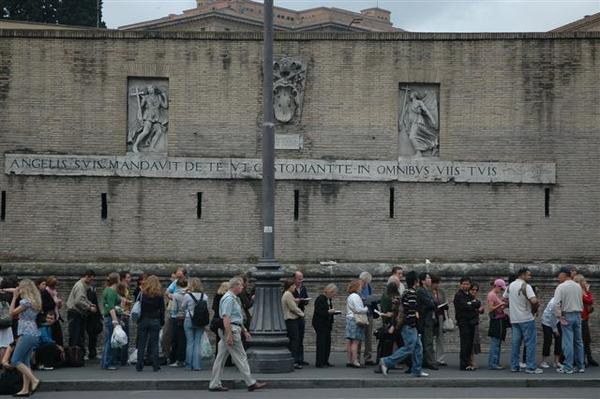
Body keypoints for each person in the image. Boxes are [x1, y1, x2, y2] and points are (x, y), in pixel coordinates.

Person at [208, 276, 266, 392]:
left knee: (220, 358)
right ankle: (250, 382)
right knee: (241, 357)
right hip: (231, 330)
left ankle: (214, 383)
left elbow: (237, 317)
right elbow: (226, 318)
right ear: (234, 286)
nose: (242, 287)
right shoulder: (229, 299)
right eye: (240, 285)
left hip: (232, 329)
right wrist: (229, 335)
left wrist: (244, 330)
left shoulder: (234, 298)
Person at [379, 271, 428, 378]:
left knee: (418, 347)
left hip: (409, 325)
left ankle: (416, 370)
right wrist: (413, 324)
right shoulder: (411, 293)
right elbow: (410, 311)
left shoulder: (406, 292)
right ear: (416, 281)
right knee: (409, 348)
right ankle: (386, 361)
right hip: (409, 325)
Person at [504, 267, 542, 374]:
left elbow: (505, 299)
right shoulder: (526, 286)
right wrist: (536, 296)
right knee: (530, 343)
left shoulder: (510, 286)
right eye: (528, 275)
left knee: (515, 343)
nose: (530, 277)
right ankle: (530, 367)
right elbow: (534, 300)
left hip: (514, 319)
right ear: (523, 275)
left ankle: (514, 366)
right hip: (526, 318)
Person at [9, 279, 41, 397]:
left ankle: (34, 380)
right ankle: (25, 389)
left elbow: (12, 313)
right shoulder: (34, 301)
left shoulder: (25, 302)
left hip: (26, 333)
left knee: (15, 360)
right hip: (33, 332)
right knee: (25, 361)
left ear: (25, 288)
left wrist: (14, 297)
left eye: (20, 287)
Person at [553, 267, 584, 374]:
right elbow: (581, 300)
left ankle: (568, 367)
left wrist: (559, 317)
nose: (558, 277)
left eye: (559, 275)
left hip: (567, 315)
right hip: (578, 315)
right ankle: (581, 366)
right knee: (579, 341)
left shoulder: (561, 287)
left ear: (563, 274)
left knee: (568, 342)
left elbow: (555, 304)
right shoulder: (578, 286)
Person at [136, 275, 165, 372]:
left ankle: (139, 364)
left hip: (143, 319)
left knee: (141, 344)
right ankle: (155, 365)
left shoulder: (143, 294)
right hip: (155, 320)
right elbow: (162, 310)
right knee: (154, 344)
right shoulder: (159, 295)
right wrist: (162, 321)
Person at [66, 269, 97, 351]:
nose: (92, 281)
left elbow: (82, 299)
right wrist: (89, 307)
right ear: (87, 277)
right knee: (75, 336)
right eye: (91, 279)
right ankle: (74, 356)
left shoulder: (83, 285)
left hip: (77, 314)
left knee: (78, 336)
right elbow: (78, 301)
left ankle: (76, 356)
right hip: (75, 313)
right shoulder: (80, 286)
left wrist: (89, 303)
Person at [453, 277, 480, 371]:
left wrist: (471, 304)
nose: (465, 286)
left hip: (471, 322)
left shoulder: (469, 295)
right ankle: (464, 364)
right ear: (460, 285)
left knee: (469, 344)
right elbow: (465, 306)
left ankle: (468, 362)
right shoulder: (459, 295)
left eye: (467, 284)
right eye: (464, 284)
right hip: (463, 322)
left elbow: (478, 303)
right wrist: (472, 304)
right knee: (465, 343)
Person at [181, 277, 208, 371]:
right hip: (200, 321)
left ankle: (189, 365)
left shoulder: (187, 296)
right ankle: (197, 365)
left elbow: (183, 307)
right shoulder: (204, 296)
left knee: (190, 342)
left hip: (189, 319)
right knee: (197, 343)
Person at [573, 274, 598, 367]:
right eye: (584, 281)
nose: (586, 282)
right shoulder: (579, 291)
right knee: (581, 340)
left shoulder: (583, 291)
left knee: (587, 340)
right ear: (580, 282)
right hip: (581, 318)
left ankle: (589, 358)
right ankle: (581, 359)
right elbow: (589, 301)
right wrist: (588, 291)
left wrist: (587, 291)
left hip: (585, 318)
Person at [312, 284, 338, 368]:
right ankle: (319, 362)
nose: (334, 295)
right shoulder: (320, 299)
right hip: (320, 324)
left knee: (327, 343)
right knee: (321, 343)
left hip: (327, 324)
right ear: (330, 291)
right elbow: (319, 312)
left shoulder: (328, 299)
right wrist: (329, 312)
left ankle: (325, 360)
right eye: (334, 293)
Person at [282, 278, 305, 369]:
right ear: (290, 286)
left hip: (290, 320)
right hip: (291, 320)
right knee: (295, 341)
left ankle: (293, 360)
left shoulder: (287, 294)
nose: (295, 288)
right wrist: (302, 314)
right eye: (293, 286)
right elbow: (292, 308)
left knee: (293, 341)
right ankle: (294, 361)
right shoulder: (288, 294)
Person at [345, 279, 368, 368]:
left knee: (350, 341)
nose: (361, 288)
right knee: (355, 341)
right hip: (355, 319)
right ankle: (355, 361)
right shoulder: (356, 296)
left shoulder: (350, 296)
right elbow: (358, 309)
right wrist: (365, 308)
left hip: (350, 318)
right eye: (360, 286)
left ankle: (350, 360)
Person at [166, 268, 187, 367]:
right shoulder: (188, 293)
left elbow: (173, 308)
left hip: (176, 317)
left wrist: (172, 297)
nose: (178, 273)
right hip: (186, 317)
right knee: (183, 339)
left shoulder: (176, 294)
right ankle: (182, 359)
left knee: (176, 338)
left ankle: (176, 359)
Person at [416, 272, 437, 370]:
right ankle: (430, 362)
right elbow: (431, 304)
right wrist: (433, 303)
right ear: (422, 281)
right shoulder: (421, 291)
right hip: (425, 319)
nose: (430, 280)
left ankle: (425, 360)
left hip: (428, 318)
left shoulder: (427, 291)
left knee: (427, 341)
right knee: (428, 341)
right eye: (428, 278)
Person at [101, 273, 121, 370]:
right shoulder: (112, 292)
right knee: (110, 341)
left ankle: (104, 362)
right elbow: (111, 308)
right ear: (117, 280)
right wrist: (115, 320)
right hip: (110, 318)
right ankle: (107, 363)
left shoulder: (107, 290)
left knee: (107, 341)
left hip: (107, 317)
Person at [486, 279, 508, 370]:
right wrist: (501, 304)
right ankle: (493, 363)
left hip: (499, 320)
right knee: (495, 343)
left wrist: (503, 304)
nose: (502, 291)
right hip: (496, 321)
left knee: (497, 343)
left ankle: (495, 362)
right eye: (501, 289)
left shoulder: (495, 295)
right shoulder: (492, 295)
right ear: (497, 286)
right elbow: (490, 309)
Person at [357, 271, 376, 366]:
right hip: (360, 314)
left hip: (369, 313)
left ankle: (368, 357)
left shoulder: (368, 286)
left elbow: (370, 297)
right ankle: (356, 358)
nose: (365, 284)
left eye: (367, 282)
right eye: (365, 282)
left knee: (368, 337)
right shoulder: (357, 287)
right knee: (359, 336)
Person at [291, 271, 309, 366]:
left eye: (302, 278)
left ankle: (301, 359)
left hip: (301, 314)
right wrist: (296, 301)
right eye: (299, 279)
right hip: (294, 316)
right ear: (294, 279)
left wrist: (305, 301)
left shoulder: (303, 288)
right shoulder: (291, 290)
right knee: (295, 338)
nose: (301, 281)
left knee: (301, 337)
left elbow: (306, 297)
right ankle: (294, 359)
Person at [430, 274, 448, 366]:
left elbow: (444, 301)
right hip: (431, 316)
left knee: (440, 338)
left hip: (440, 315)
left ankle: (440, 359)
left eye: (437, 283)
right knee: (430, 337)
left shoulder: (441, 292)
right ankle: (431, 358)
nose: (436, 285)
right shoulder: (428, 292)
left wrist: (445, 306)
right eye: (435, 283)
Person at [540, 297, 562, 369]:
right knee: (548, 340)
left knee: (559, 340)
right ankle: (543, 362)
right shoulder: (554, 303)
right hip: (547, 322)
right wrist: (555, 330)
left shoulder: (563, 300)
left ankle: (556, 362)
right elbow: (552, 318)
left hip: (556, 321)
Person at [43, 276, 64, 347]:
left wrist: (59, 304)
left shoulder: (54, 293)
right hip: (49, 318)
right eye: (54, 286)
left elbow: (57, 306)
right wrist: (55, 302)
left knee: (59, 337)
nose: (55, 288)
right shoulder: (45, 293)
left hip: (56, 317)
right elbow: (45, 306)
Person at [468, 283, 484, 369]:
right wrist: (478, 310)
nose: (474, 292)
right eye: (472, 290)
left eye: (476, 290)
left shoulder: (477, 300)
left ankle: (471, 359)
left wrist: (481, 310)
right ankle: (470, 361)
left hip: (475, 322)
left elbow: (481, 309)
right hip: (469, 323)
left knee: (474, 341)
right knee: (470, 342)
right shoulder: (467, 300)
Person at [0, 276, 17, 357]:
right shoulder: (9, 295)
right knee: (4, 343)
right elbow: (18, 290)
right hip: (6, 319)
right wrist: (4, 290)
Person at [118, 271, 132, 366]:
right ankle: (123, 359)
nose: (130, 279)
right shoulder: (122, 288)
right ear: (123, 278)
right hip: (124, 314)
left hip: (125, 314)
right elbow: (121, 300)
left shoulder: (126, 288)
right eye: (128, 277)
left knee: (123, 337)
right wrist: (127, 301)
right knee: (124, 337)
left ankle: (122, 358)